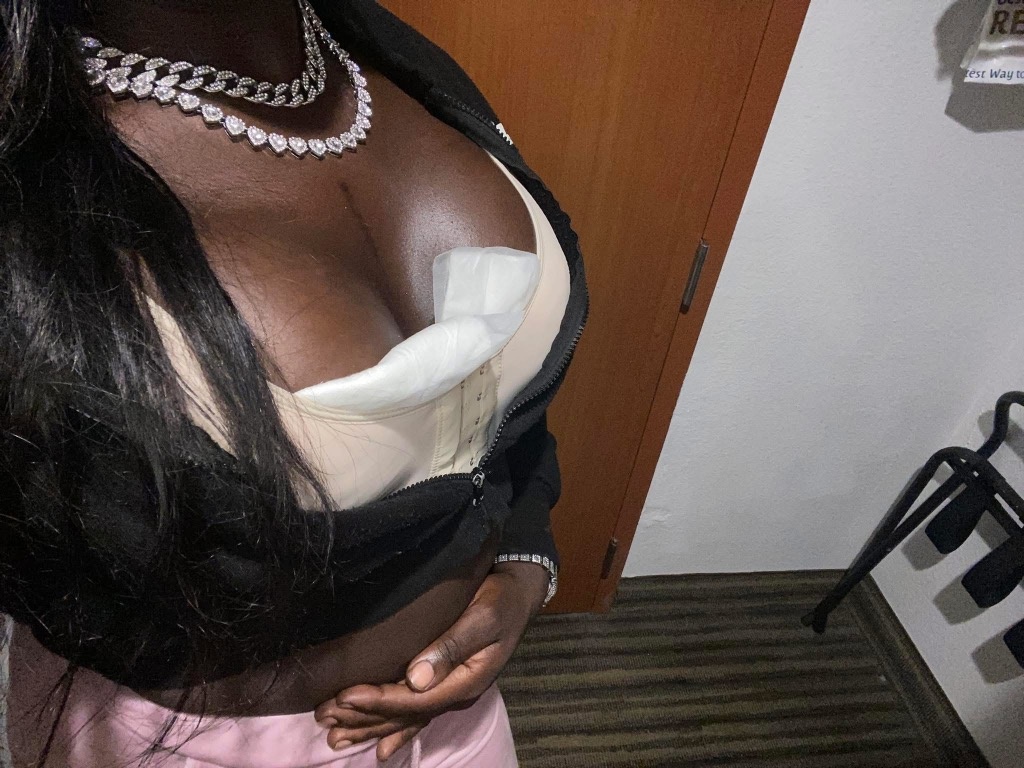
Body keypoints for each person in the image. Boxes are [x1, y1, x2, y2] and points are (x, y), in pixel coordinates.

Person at [0, 0, 590, 766]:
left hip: (460, 724)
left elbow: (503, 420)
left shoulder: (392, 61)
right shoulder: (26, 171)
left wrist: (524, 559)